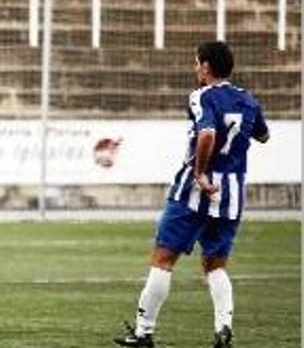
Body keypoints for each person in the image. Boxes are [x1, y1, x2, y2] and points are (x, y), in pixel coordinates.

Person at [113, 41, 269, 348]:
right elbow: (263, 135)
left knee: (163, 258)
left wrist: (199, 172)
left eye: (197, 63)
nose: (195, 68)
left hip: (196, 189)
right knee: (216, 264)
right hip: (231, 193)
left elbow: (208, 133)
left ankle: (144, 332)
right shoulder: (248, 101)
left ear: (207, 67)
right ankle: (224, 329)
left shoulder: (202, 96)